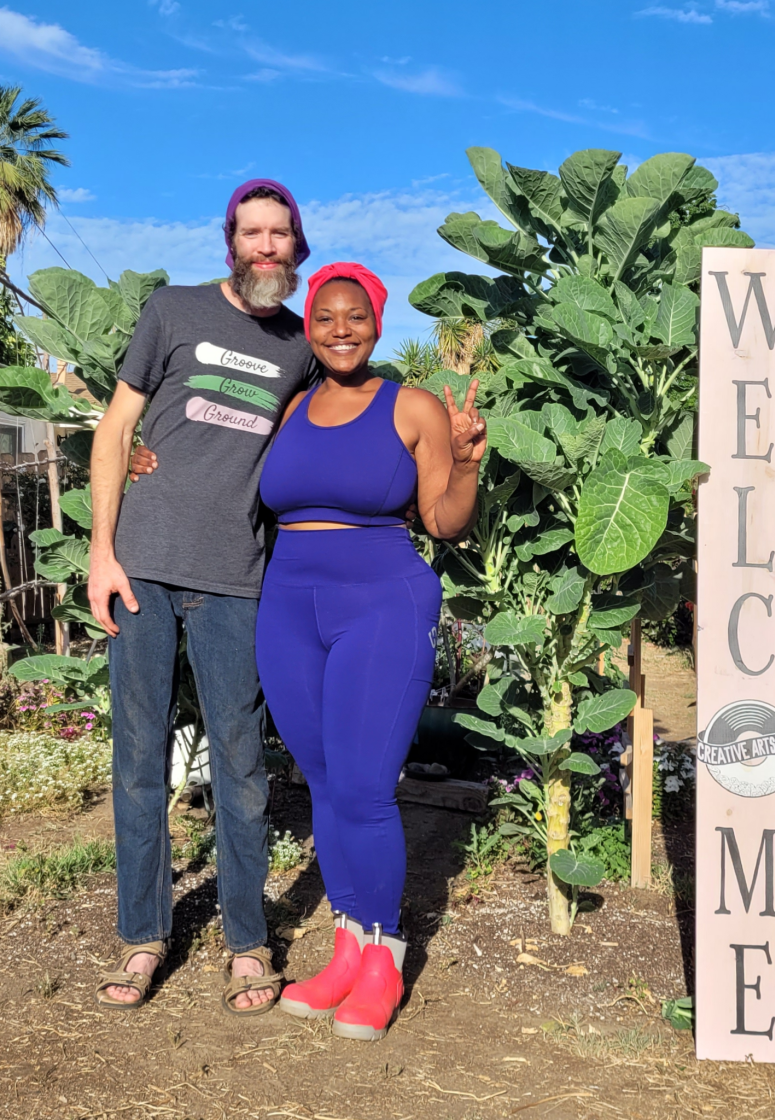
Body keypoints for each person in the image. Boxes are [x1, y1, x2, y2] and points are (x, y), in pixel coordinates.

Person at [88, 179, 318, 1015]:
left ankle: (249, 943)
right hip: (143, 565)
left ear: (297, 246)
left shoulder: (300, 345)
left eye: (279, 235)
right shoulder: (173, 311)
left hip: (236, 578)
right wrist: (100, 553)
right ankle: (143, 936)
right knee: (139, 757)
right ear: (231, 242)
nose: (266, 247)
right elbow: (117, 431)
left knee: (242, 764)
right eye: (252, 233)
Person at [256, 262, 486, 1040]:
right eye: (326, 318)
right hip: (288, 608)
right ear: (310, 327)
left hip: (381, 604)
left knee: (362, 786)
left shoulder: (410, 406)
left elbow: (443, 521)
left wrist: (468, 462)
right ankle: (348, 948)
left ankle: (384, 956)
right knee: (322, 781)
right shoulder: (290, 409)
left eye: (356, 317)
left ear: (377, 325)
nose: (341, 329)